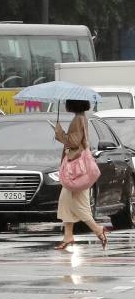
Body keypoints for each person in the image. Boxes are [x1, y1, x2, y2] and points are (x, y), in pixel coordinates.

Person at [54, 99, 108, 250]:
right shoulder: (81, 117)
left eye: (68, 102)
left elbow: (74, 141)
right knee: (65, 201)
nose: (65, 104)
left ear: (74, 104)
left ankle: (98, 229)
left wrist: (59, 134)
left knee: (78, 204)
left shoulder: (78, 119)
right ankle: (68, 235)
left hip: (77, 171)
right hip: (79, 170)